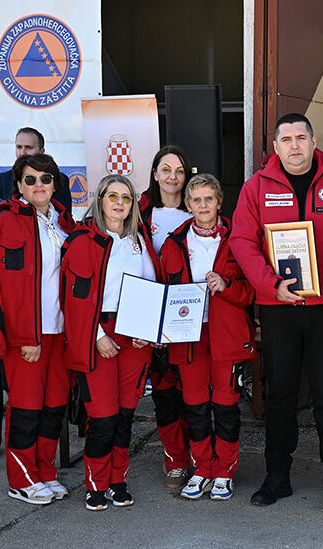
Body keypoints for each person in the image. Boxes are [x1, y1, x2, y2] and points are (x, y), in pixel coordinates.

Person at [230, 113, 323, 511]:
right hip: (278, 307)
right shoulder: (256, 187)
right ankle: (277, 477)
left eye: (301, 137)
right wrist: (271, 286)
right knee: (281, 395)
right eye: (286, 139)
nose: (294, 145)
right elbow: (241, 241)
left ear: (313, 139)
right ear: (275, 146)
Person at [61, 174, 161, 510]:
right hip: (98, 332)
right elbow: (73, 298)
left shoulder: (139, 240)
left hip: (134, 334)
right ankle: (96, 484)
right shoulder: (83, 240)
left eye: (127, 198)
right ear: (99, 199)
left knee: (124, 415)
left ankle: (118, 480)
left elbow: (150, 286)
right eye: (112, 196)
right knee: (102, 416)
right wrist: (97, 336)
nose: (119, 203)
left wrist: (147, 329)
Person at [159, 174, 255, 501]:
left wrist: (227, 287)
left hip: (226, 335)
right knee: (196, 406)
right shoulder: (174, 242)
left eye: (208, 199)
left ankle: (224, 471)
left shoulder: (237, 239)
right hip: (188, 336)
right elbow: (163, 290)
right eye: (196, 200)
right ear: (188, 205)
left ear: (218, 202)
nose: (203, 206)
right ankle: (202, 468)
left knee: (226, 406)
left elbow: (250, 292)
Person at [0, 153, 74, 505]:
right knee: (26, 408)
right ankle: (21, 478)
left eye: (46, 178)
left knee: (55, 405)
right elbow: (6, 284)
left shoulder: (63, 219)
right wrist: (25, 336)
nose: (39, 185)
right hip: (29, 334)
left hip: (60, 330)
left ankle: (44, 472)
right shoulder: (7, 220)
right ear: (18, 184)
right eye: (30, 179)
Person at [138, 145, 196, 489]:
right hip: (150, 310)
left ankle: (197, 454)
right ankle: (175, 457)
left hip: (188, 310)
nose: (173, 176)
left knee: (191, 387)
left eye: (179, 169)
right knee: (164, 390)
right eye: (166, 169)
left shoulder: (198, 209)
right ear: (156, 173)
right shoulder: (141, 210)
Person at [0, 127, 73, 212]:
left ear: (42, 151)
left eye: (28, 147)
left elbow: (65, 217)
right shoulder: (4, 178)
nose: (22, 153)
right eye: (19, 147)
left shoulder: (59, 179)